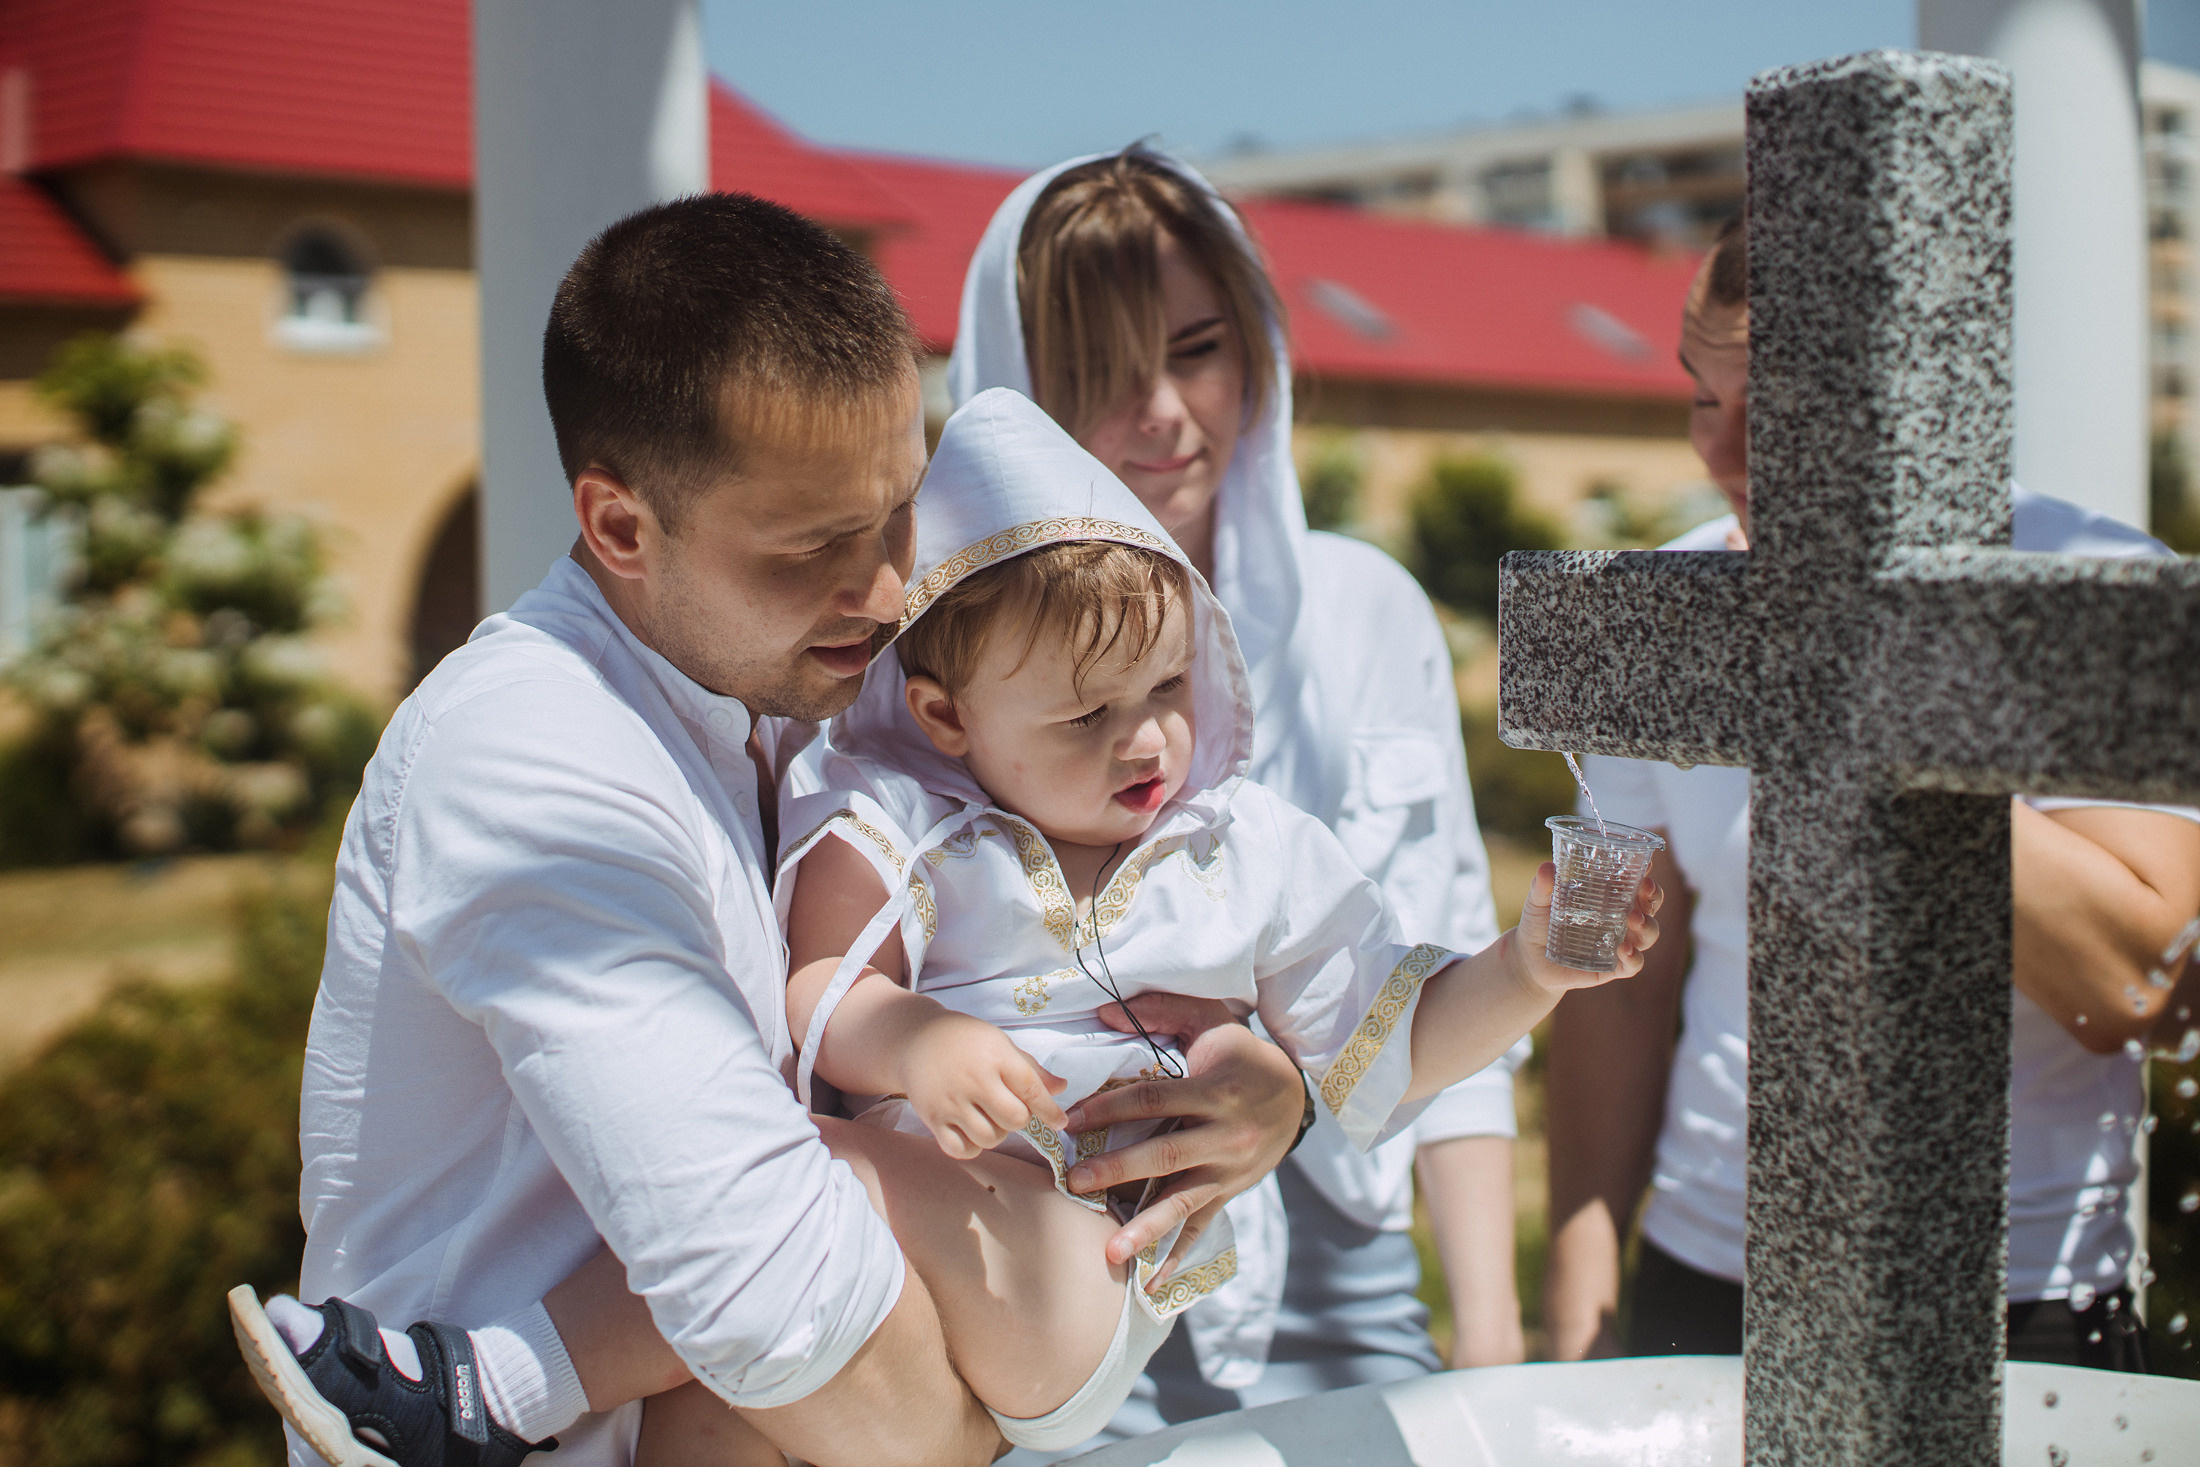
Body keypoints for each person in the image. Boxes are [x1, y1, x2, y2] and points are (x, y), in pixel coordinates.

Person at [231, 194, 1315, 1467]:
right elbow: (776, 1299)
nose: (889, 590)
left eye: (899, 517)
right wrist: (971, 1423)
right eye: (815, 547)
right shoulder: (530, 752)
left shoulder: (806, 699)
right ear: (620, 527)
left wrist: (1254, 1095)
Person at [1541, 218, 2200, 1370]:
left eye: (1778, 410)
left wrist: (1872, 706)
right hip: (1707, 1272)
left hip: (2015, 1292)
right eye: (1703, 398)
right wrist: (1580, 1294)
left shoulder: (2084, 591)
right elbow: (1607, 977)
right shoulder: (1659, 617)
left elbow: (2139, 990)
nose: (1723, 453)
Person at [948, 147, 1532, 1438]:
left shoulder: (1368, 609)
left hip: (1343, 1271)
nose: (1164, 411)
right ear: (1015, 392)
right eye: (1101, 377)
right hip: (1064, 1275)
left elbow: (1439, 964)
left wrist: (1488, 1330)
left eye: (1200, 348)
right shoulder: (940, 672)